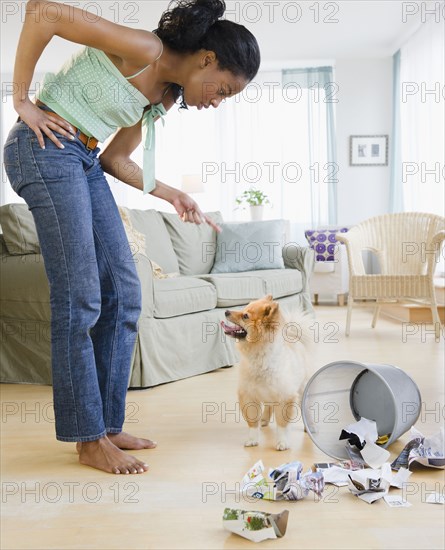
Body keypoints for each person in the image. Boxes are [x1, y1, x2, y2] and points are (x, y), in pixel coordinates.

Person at [4, 0, 260, 474]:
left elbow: (114, 159)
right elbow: (41, 12)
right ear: (206, 59)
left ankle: (107, 425)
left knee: (124, 293)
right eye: (222, 89)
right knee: (80, 297)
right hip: (41, 148)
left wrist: (172, 194)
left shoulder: (162, 97)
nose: (217, 101)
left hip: (83, 158)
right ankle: (86, 438)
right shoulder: (143, 48)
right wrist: (21, 101)